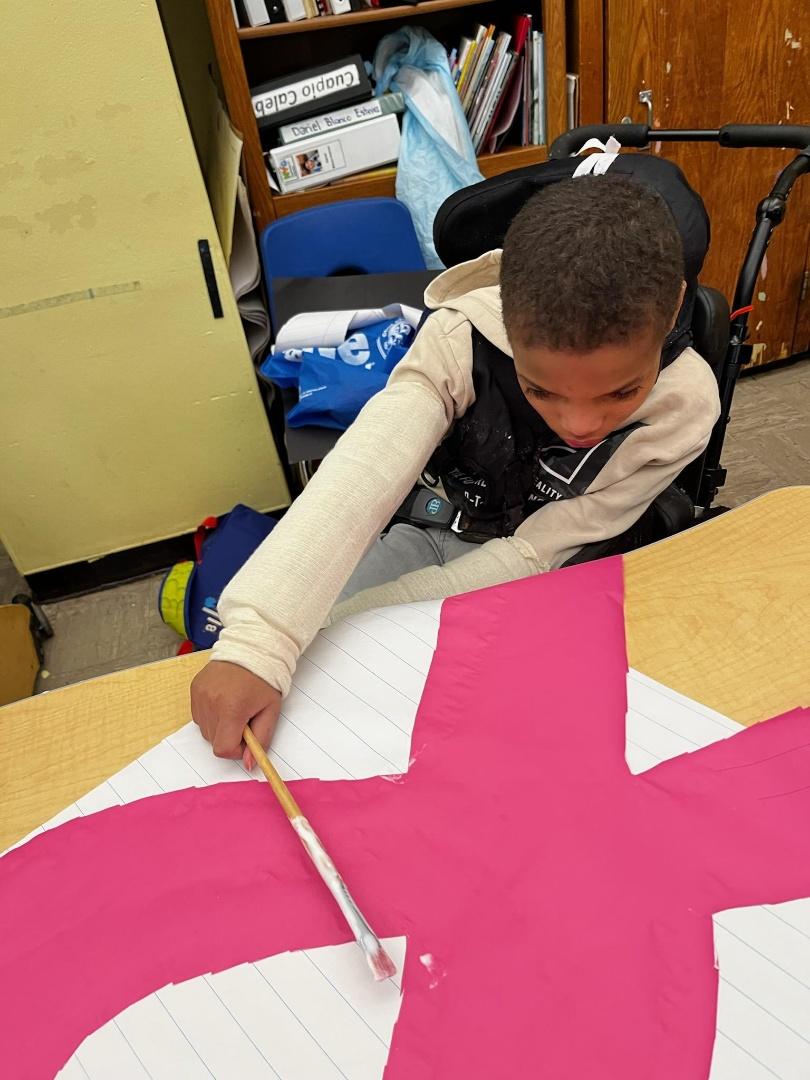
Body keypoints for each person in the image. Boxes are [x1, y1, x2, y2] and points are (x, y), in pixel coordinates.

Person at [191, 173, 720, 768]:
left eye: (621, 393)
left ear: (673, 304)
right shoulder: (461, 334)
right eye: (540, 391)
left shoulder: (685, 407)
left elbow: (538, 552)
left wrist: (349, 626)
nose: (579, 425)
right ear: (503, 305)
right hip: (433, 528)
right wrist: (263, 641)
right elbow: (367, 465)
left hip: (550, 573)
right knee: (303, 669)